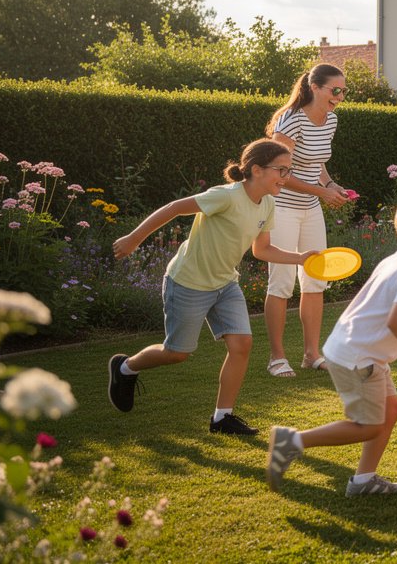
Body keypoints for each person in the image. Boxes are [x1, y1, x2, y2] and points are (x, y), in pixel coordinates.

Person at [106, 139, 318, 434]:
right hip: (188, 283)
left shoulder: (268, 204)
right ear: (257, 169)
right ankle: (126, 367)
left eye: (289, 170)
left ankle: (222, 418)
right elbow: (174, 208)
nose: (286, 177)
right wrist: (133, 239)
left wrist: (300, 258)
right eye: (281, 170)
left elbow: (262, 250)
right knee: (176, 353)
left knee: (242, 344)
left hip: (225, 284)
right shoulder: (226, 196)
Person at [266, 196, 397, 496]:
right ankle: (292, 441)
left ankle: (363, 480)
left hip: (352, 350)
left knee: (391, 409)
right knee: (369, 425)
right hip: (361, 358)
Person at [262, 63, 352, 378]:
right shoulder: (291, 120)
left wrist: (330, 185)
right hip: (282, 209)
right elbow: (279, 173)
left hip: (310, 208)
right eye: (335, 90)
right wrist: (320, 191)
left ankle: (311, 355)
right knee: (281, 283)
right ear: (315, 87)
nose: (339, 96)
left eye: (344, 91)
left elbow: (318, 164)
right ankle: (276, 357)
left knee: (315, 280)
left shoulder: (331, 120)